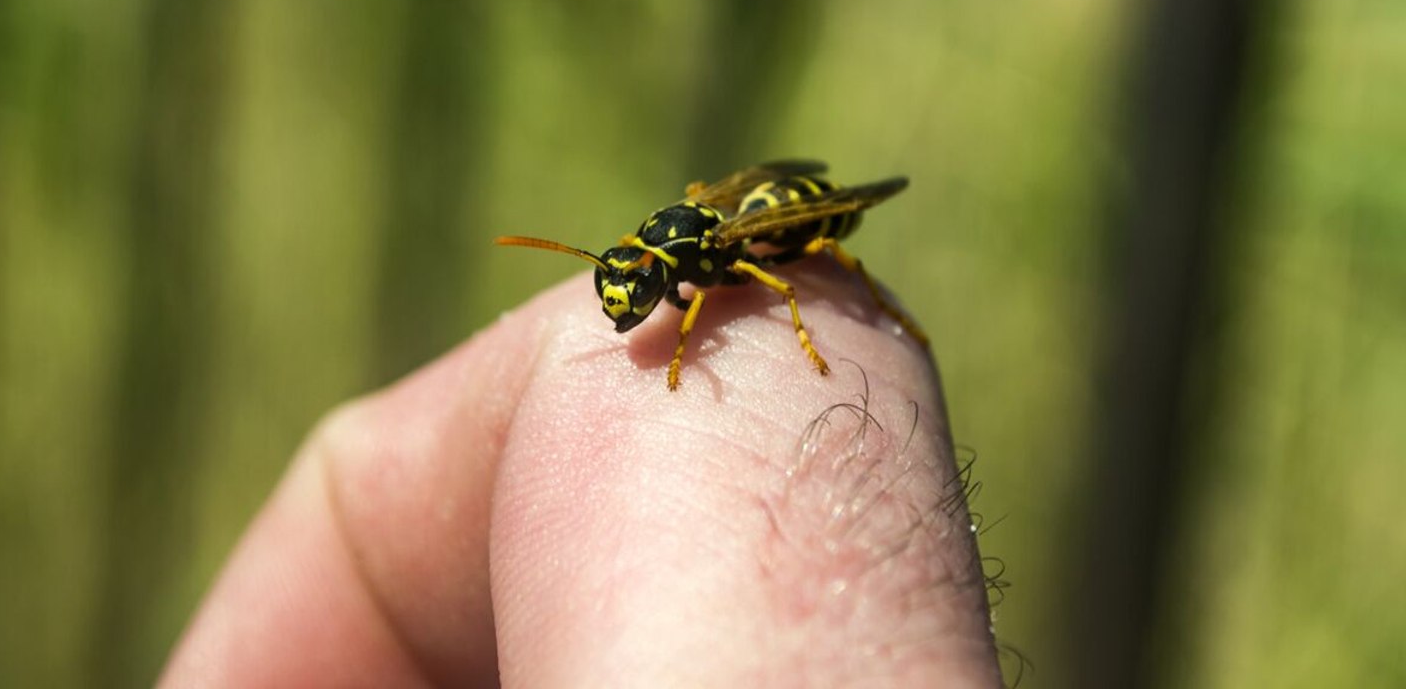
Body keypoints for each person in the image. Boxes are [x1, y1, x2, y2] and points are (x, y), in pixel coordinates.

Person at [160, 263, 1004, 687]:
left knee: (820, 262)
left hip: (794, 244)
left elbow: (744, 288)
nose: (625, 304)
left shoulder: (718, 275)